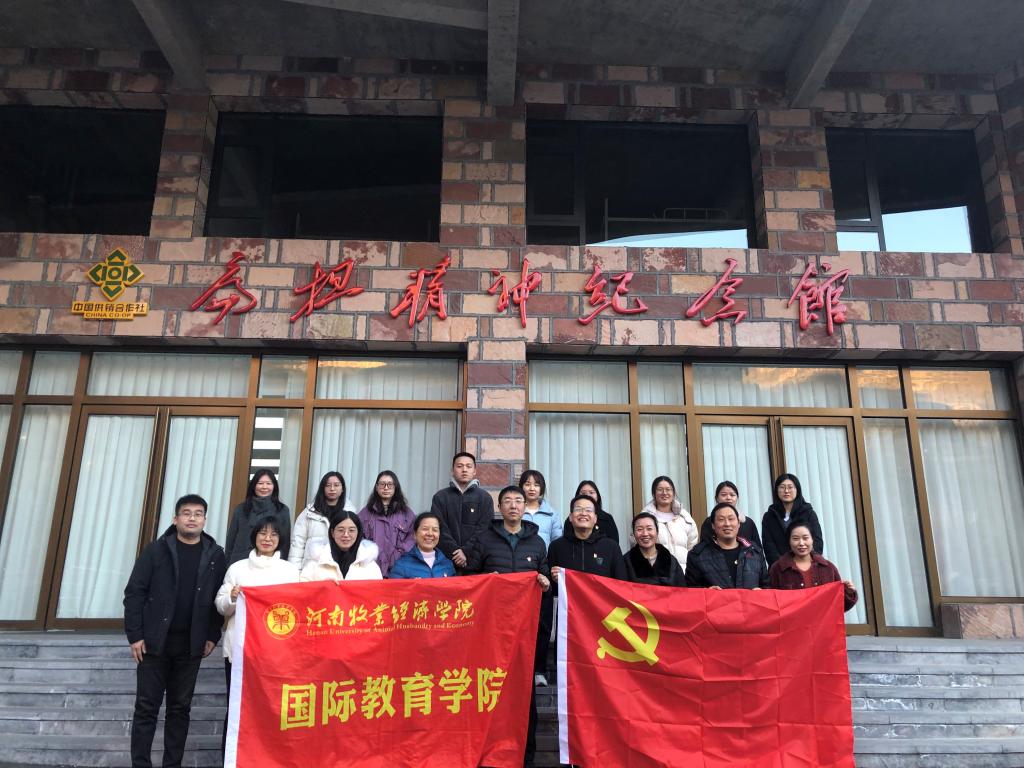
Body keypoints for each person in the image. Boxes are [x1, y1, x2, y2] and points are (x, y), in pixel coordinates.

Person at [123, 494, 226, 768]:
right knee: (146, 708)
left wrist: (212, 635)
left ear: (205, 520)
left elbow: (219, 598)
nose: (192, 518)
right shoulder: (156, 550)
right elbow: (134, 593)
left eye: (198, 514)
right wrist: (135, 635)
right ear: (175, 518)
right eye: (186, 513)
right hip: (153, 643)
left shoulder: (215, 555)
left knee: (180, 710)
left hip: (190, 645)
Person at [465, 486, 551, 768]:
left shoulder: (537, 542)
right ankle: (487, 753)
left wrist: (544, 582)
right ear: (499, 507)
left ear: (525, 507)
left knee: (524, 694)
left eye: (518, 501)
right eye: (508, 501)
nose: (513, 505)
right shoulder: (484, 540)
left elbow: (545, 578)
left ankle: (526, 756)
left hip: (525, 631)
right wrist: (485, 581)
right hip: (491, 631)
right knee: (489, 690)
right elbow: (469, 578)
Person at [214, 516, 299, 755]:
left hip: (276, 655)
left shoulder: (290, 571)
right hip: (240, 652)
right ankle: (231, 760)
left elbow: (298, 609)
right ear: (254, 537)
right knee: (237, 708)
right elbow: (220, 606)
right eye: (263, 533)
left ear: (280, 539)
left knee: (273, 709)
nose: (267, 538)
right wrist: (232, 596)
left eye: (273, 534)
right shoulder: (237, 568)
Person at [520, 469, 561, 687]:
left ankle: (540, 670)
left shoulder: (552, 514)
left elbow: (556, 543)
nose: (531, 488)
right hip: (520, 573)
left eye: (536, 484)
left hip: (542, 574)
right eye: (527, 484)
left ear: (542, 488)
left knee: (543, 625)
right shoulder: (517, 509)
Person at [769, 521, 858, 612]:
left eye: (805, 538)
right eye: (795, 539)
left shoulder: (828, 568)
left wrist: (849, 593)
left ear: (812, 539)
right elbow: (772, 604)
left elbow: (838, 605)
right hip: (793, 621)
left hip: (822, 621)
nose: (801, 543)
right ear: (789, 541)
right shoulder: (778, 569)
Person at [432, 452, 494, 572]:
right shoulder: (441, 497)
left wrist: (465, 551)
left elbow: (485, 529)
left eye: (468, 466)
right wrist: (455, 552)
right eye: (459, 466)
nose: (464, 470)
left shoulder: (484, 498)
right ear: (452, 470)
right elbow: (439, 527)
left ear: (474, 471)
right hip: (446, 561)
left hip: (476, 562)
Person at [685, 502, 768, 590]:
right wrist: (706, 592)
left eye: (731, 519)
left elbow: (767, 586)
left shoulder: (755, 552)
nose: (727, 524)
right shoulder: (697, 555)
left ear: (738, 524)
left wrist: (761, 593)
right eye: (721, 519)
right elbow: (690, 591)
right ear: (713, 525)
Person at [548, 494, 627, 583]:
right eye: (578, 509)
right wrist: (554, 578)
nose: (583, 513)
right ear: (570, 517)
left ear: (595, 518)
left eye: (588, 510)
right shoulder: (556, 547)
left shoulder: (611, 547)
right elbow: (549, 585)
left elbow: (621, 583)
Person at [289, 471, 357, 571]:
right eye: (328, 485)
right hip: (312, 569)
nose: (332, 489)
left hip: (340, 568)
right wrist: (295, 571)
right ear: (322, 488)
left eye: (336, 485)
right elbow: (297, 544)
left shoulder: (351, 513)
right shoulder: (309, 513)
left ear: (342, 489)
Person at [223, 469, 292, 565]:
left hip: (270, 564)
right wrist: (227, 564)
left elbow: (285, 542)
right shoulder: (241, 509)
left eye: (268, 483)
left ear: (274, 486)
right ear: (253, 486)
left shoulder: (282, 510)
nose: (264, 487)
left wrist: (282, 563)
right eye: (260, 483)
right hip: (240, 562)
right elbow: (231, 539)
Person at [358, 470, 415, 577]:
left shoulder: (407, 514)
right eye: (382, 484)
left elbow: (413, 537)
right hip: (371, 569)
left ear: (395, 487)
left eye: (390, 484)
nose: (386, 488)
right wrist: (372, 553)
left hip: (400, 569)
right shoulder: (365, 513)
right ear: (376, 487)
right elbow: (358, 537)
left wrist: (399, 553)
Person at [761, 473, 824, 567]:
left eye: (790, 487)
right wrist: (782, 566)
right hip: (780, 569)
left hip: (807, 566)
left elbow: (817, 541)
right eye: (782, 487)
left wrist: (807, 563)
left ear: (797, 490)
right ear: (777, 490)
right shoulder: (769, 516)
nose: (786, 491)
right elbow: (768, 546)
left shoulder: (809, 513)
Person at [300, 510, 383, 581]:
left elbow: (377, 592)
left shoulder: (369, 565)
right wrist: (323, 587)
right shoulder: (316, 562)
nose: (346, 534)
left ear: (358, 533)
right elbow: (303, 588)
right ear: (332, 533)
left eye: (351, 530)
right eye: (340, 530)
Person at [639, 476, 698, 570]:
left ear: (673, 493)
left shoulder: (685, 518)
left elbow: (692, 548)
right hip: (655, 573)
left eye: (668, 489)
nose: (664, 493)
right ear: (654, 493)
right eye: (660, 489)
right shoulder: (644, 518)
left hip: (683, 572)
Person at [624, 512, 685, 586]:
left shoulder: (671, 561)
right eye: (639, 529)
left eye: (649, 529)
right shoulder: (626, 561)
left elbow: (681, 589)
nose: (645, 534)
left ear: (657, 532)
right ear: (634, 534)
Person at [389, 512, 457, 578]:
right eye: (425, 529)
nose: (430, 534)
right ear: (415, 534)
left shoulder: (447, 565)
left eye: (435, 530)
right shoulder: (402, 565)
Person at [698, 480, 763, 549]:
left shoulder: (748, 522)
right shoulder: (709, 522)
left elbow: (757, 549)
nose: (728, 498)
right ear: (717, 498)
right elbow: (703, 548)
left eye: (732, 495)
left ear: (737, 498)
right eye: (723, 495)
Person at [563, 480, 620, 548]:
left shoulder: (607, 518)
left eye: (591, 492)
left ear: (597, 496)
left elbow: (614, 545)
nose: (587, 495)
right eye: (583, 493)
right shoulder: (572, 519)